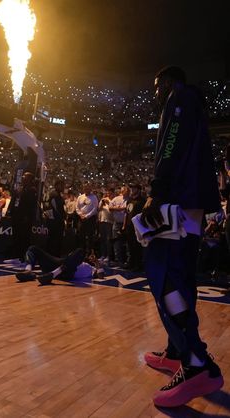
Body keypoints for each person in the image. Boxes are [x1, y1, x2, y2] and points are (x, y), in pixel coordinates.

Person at [141, 66, 223, 407]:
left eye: (158, 85)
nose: (156, 93)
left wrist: (157, 190)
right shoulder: (193, 105)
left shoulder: (179, 99)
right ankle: (178, 349)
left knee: (165, 278)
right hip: (191, 205)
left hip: (178, 200)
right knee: (181, 277)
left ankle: (196, 362)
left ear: (170, 83)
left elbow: (171, 144)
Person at [15, 245, 85, 285]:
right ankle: (28, 271)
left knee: (80, 251)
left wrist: (96, 264)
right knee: (32, 248)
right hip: (56, 264)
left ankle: (52, 275)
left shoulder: (91, 268)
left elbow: (96, 272)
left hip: (65, 272)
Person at [10, 172, 37, 261]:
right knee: (16, 236)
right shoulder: (21, 188)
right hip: (17, 216)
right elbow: (16, 200)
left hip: (25, 218)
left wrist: (27, 217)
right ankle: (16, 256)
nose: (22, 177)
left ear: (29, 179)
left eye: (25, 176)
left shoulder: (32, 190)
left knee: (24, 238)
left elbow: (31, 205)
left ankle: (23, 258)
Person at [76, 182, 98, 254]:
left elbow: (95, 209)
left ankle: (89, 254)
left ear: (90, 188)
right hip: (81, 219)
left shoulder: (94, 197)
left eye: (88, 188)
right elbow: (77, 207)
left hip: (90, 219)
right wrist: (80, 214)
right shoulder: (80, 197)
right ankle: (81, 252)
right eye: (85, 187)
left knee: (90, 237)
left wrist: (87, 216)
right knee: (81, 236)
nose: (86, 189)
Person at [45, 180, 66, 256]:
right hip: (56, 221)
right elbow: (56, 209)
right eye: (62, 185)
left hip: (54, 220)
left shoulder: (55, 194)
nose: (64, 187)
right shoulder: (55, 195)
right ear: (57, 186)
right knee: (54, 240)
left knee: (53, 239)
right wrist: (62, 217)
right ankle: (53, 256)